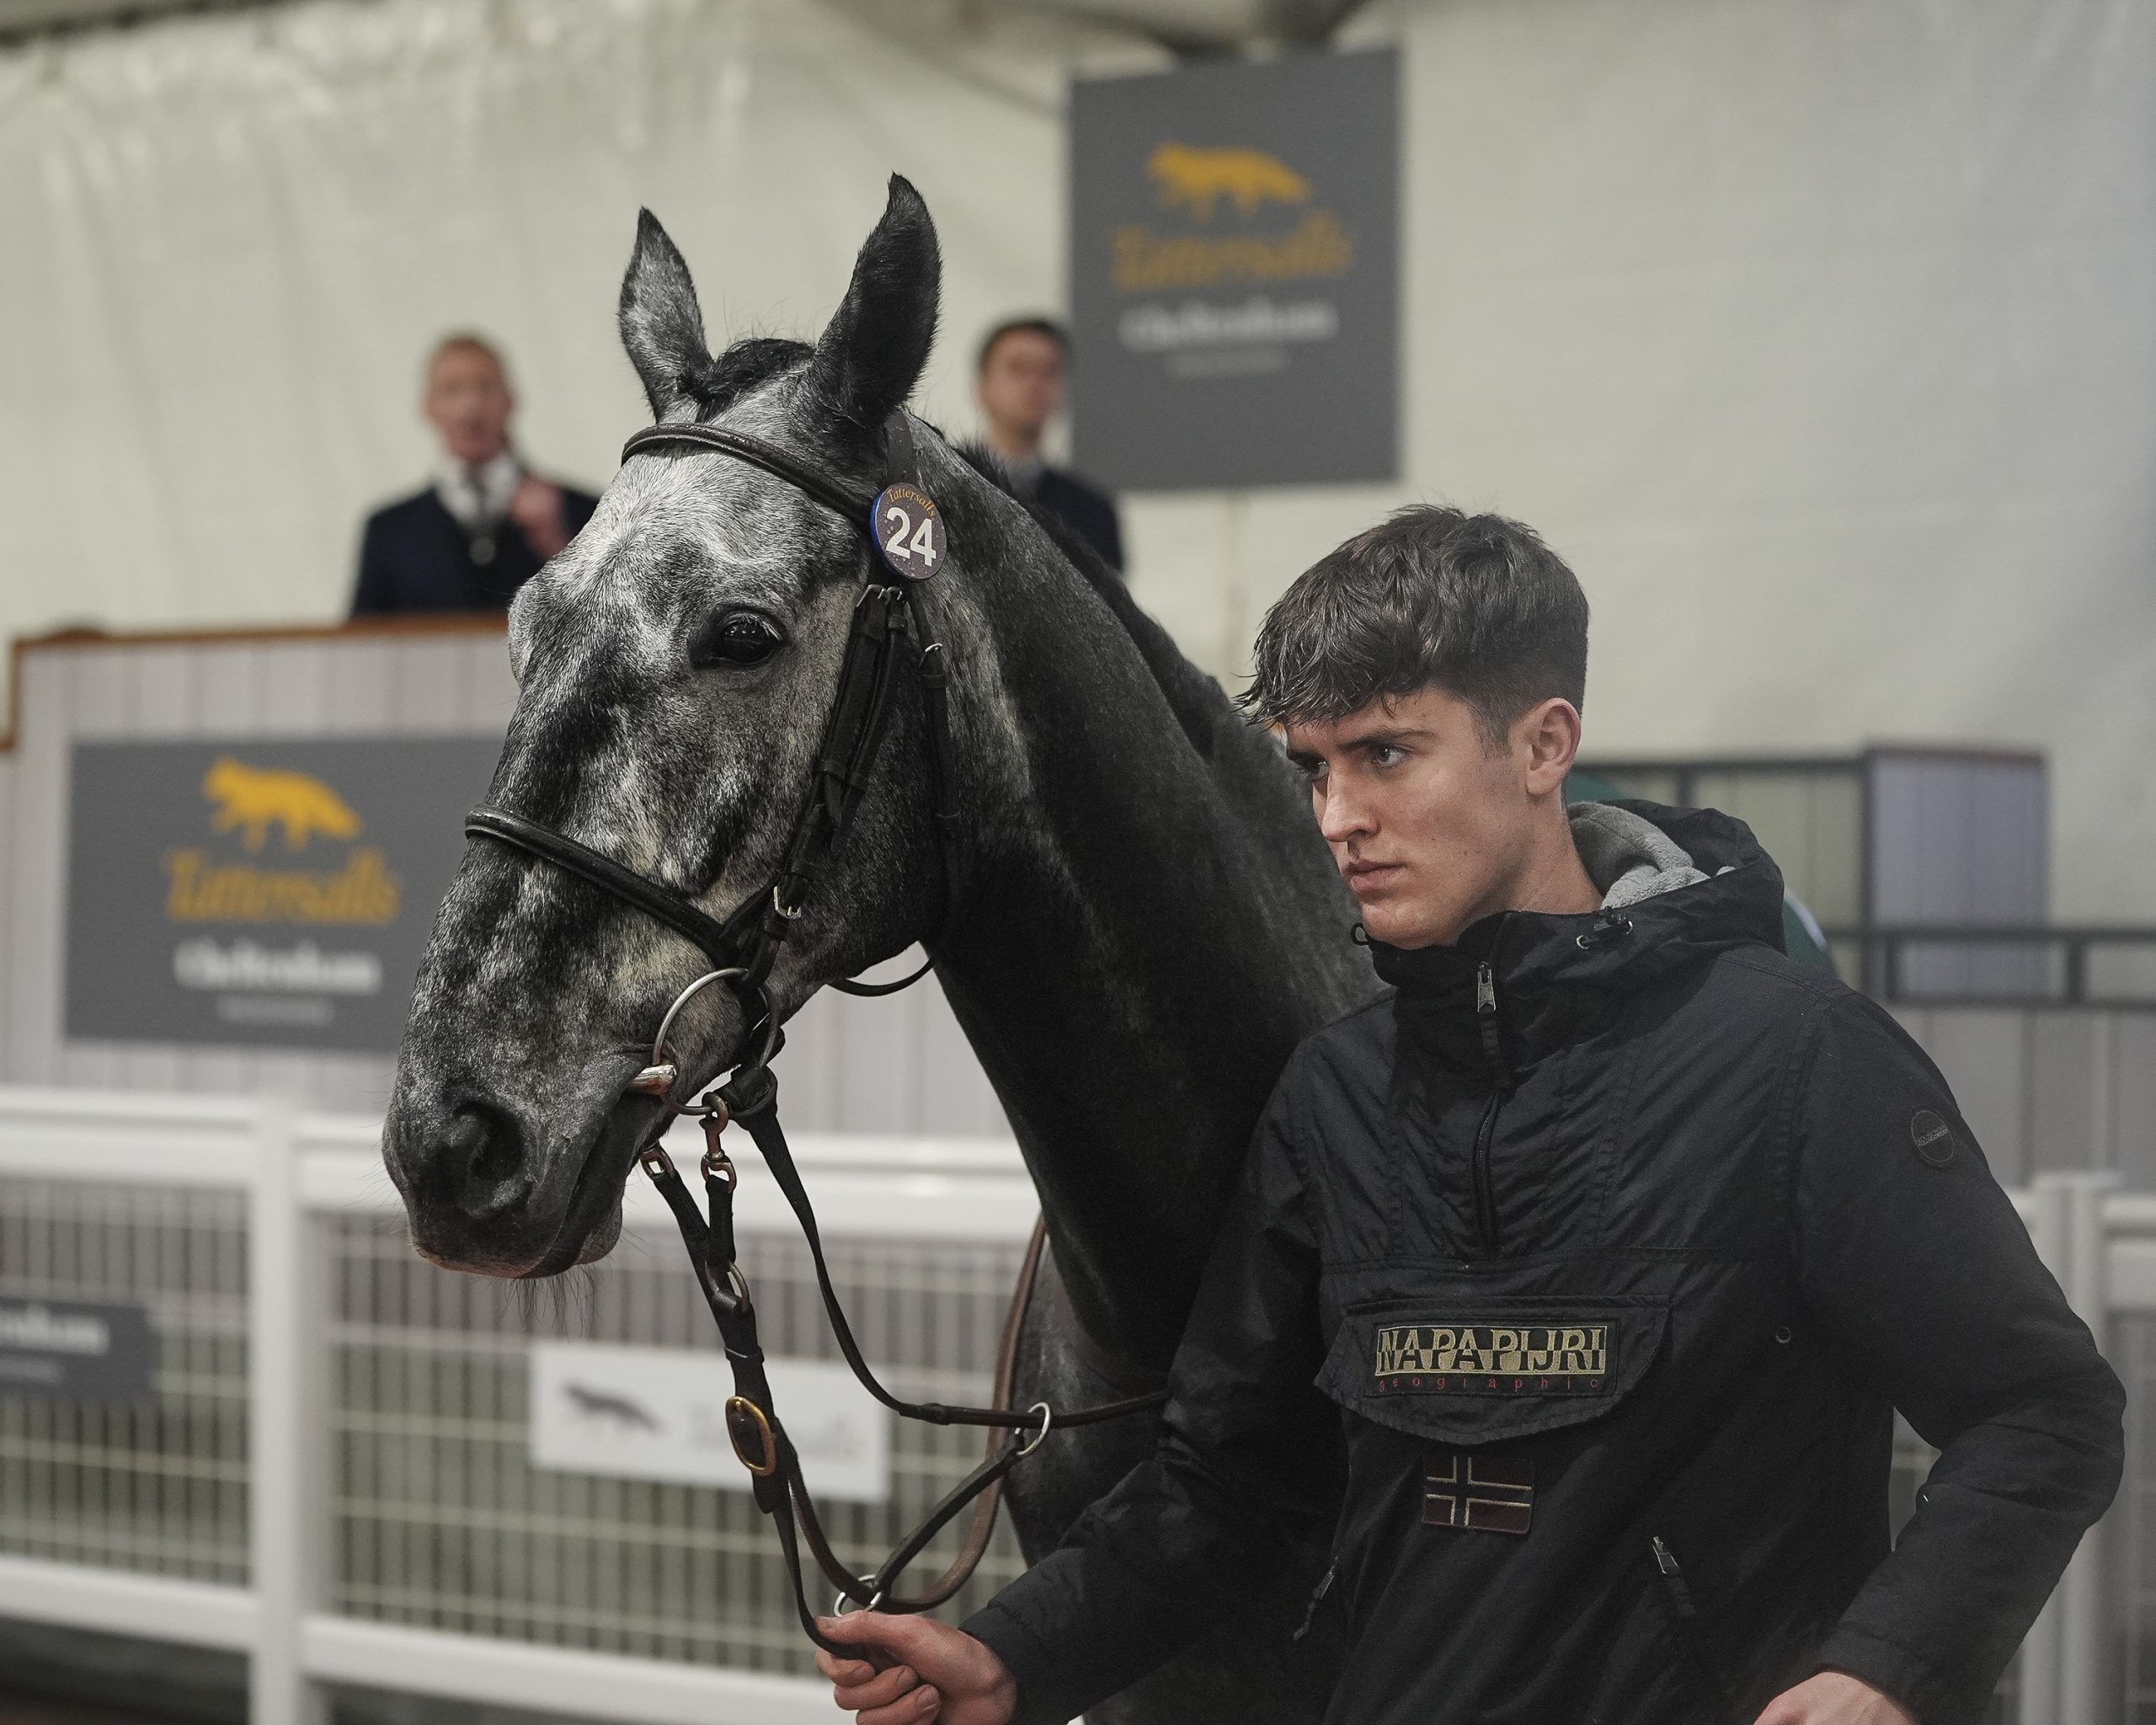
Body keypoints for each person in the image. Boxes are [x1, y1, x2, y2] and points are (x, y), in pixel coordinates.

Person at [815, 507, 2124, 1725]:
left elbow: (2042, 1411)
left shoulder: (1799, 1061)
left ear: (1544, 745)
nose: (1339, 820)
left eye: (1387, 754)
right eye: (1315, 769)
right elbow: (1233, 1485)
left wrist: (1885, 1669)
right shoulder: (1334, 1097)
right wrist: (1015, 1654)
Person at [350, 334, 598, 616]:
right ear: (428, 408)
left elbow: (620, 625)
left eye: (486, 388)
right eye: (451, 390)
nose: (470, 406)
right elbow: (361, 640)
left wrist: (555, 543)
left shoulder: (587, 514)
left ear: (511, 401)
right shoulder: (390, 532)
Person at [975, 318, 1123, 573]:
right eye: (1018, 368)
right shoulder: (943, 489)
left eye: (1049, 371)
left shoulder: (1093, 510)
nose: (1035, 383)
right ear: (982, 388)